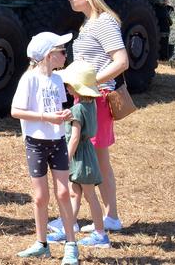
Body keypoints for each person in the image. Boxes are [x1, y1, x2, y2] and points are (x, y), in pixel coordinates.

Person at [52, 0, 128, 235]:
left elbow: (121, 61)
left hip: (96, 98)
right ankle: (108, 217)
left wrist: (92, 82)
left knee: (90, 157)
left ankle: (95, 218)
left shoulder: (103, 23)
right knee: (97, 158)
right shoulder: (91, 22)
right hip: (88, 96)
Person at [11, 32, 78, 264]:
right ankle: (41, 243)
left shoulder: (58, 80)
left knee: (63, 193)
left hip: (57, 141)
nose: (64, 54)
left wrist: (65, 115)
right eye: (62, 51)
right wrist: (45, 117)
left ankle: (71, 245)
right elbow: (15, 111)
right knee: (41, 197)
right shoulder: (29, 79)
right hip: (36, 143)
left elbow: (58, 109)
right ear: (49, 55)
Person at [53, 60, 111, 249]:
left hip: (80, 158)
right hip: (87, 155)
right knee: (74, 193)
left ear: (77, 87)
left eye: (69, 85)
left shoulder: (77, 109)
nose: (67, 87)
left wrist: (66, 157)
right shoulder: (91, 104)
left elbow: (75, 137)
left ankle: (100, 234)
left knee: (89, 195)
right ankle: (68, 227)